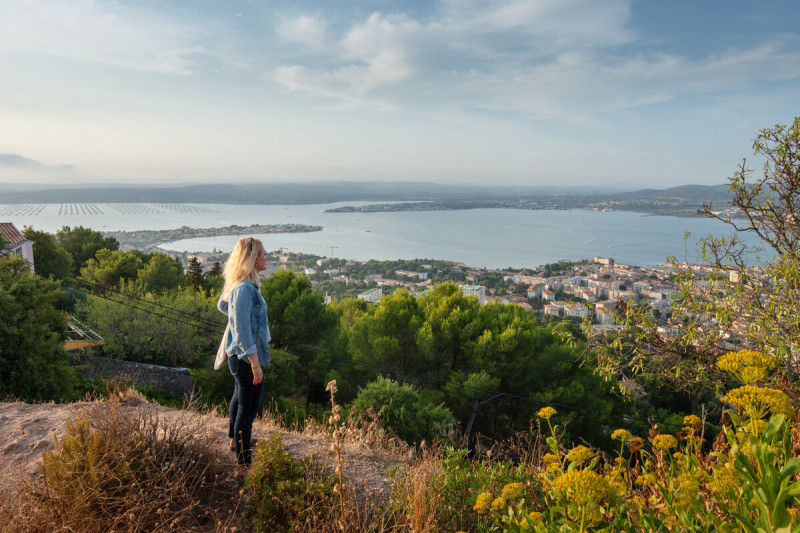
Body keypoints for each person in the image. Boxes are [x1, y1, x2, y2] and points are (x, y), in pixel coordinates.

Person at [217, 237, 270, 476]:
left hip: (238, 357)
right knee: (247, 411)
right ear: (252, 258)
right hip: (245, 358)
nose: (266, 258)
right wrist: (255, 363)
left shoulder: (240, 286)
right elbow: (242, 330)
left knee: (239, 400)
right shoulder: (244, 289)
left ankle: (233, 440)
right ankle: (243, 463)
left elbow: (223, 306)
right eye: (263, 254)